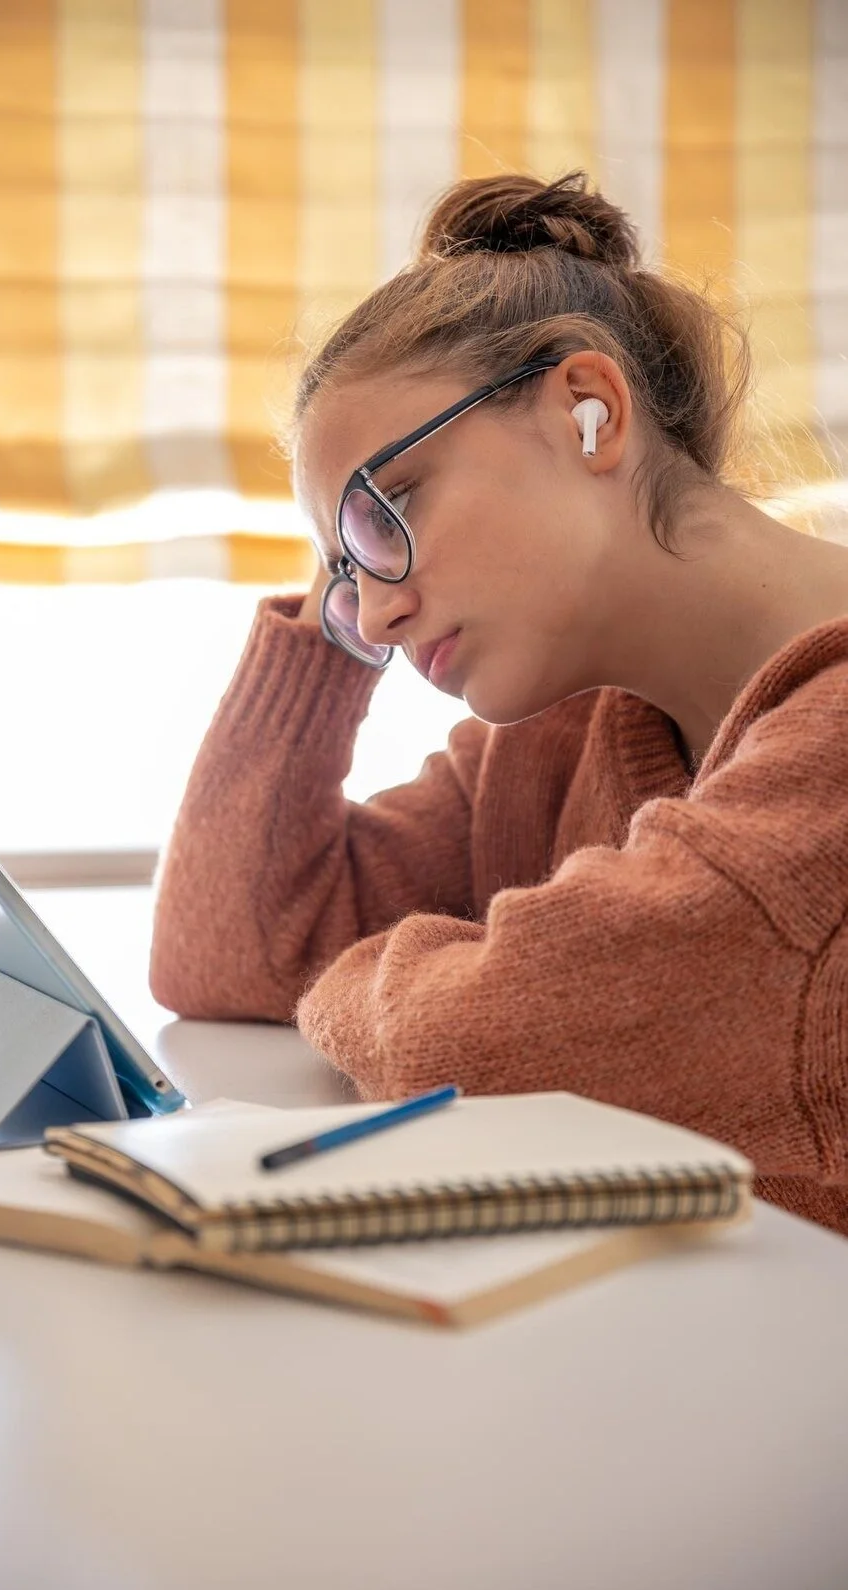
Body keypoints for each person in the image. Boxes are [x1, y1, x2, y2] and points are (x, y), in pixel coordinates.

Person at [150, 171, 848, 1237]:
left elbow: (480, 1043)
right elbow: (232, 950)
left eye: (390, 508)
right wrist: (339, 585)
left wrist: (379, 983)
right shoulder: (567, 733)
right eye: (344, 573)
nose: (373, 619)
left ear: (588, 412)